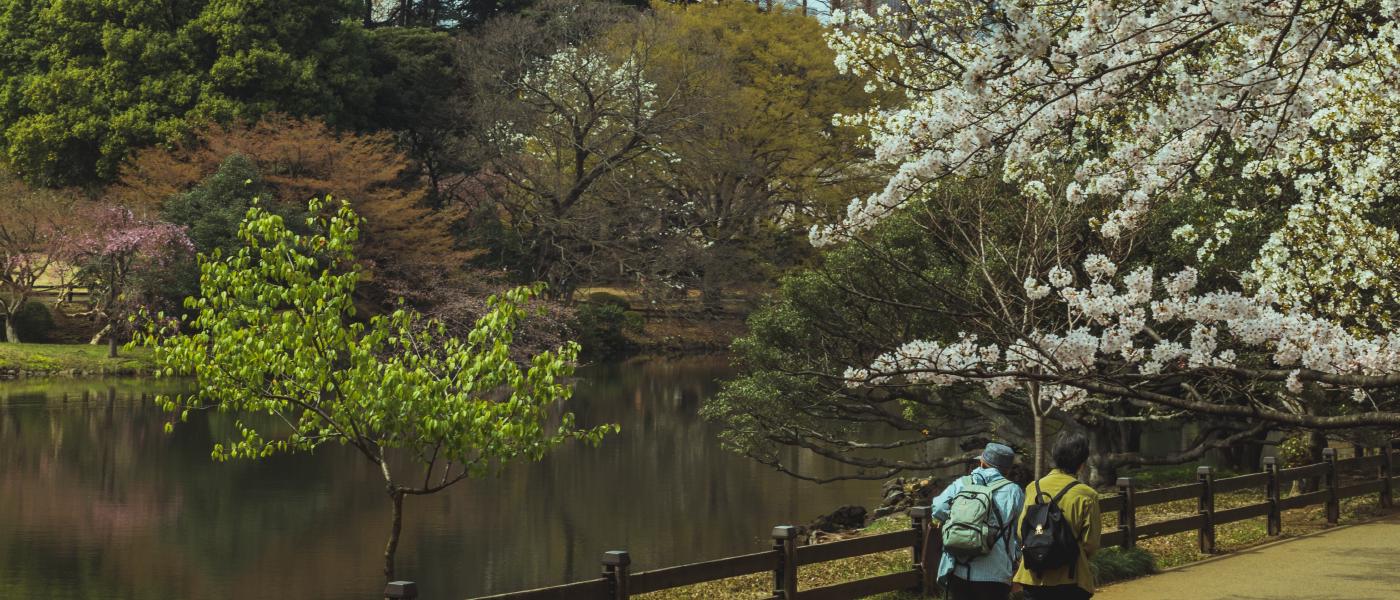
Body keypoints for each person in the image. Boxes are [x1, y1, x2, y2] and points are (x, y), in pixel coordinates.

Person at [929, 442, 1026, 600]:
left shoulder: (962, 483)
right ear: (1007, 470)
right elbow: (1021, 530)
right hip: (996, 574)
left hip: (959, 570)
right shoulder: (1013, 491)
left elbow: (938, 508)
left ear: (982, 462)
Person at [1013, 432, 1102, 600]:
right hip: (1070, 577)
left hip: (1032, 575)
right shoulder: (1086, 495)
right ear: (1082, 464)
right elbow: (1091, 543)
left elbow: (1021, 531)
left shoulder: (1033, 487)